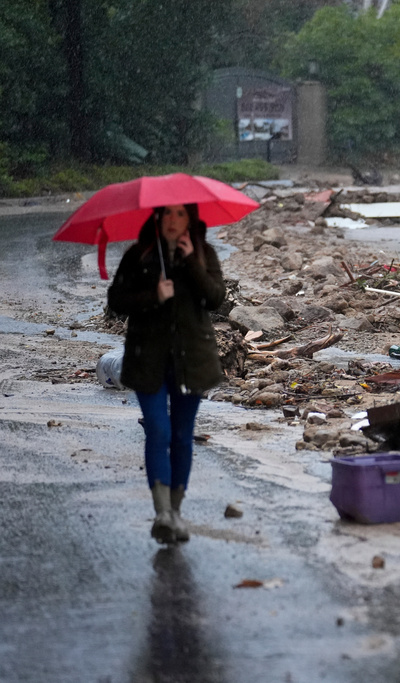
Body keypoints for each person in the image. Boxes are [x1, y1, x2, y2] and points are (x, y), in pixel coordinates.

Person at [108, 204, 226, 544]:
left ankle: (175, 514)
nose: (172, 221)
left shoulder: (204, 253)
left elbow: (216, 298)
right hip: (148, 359)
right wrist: (153, 296)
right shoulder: (139, 255)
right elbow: (116, 300)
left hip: (193, 361)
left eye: (180, 214)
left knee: (181, 435)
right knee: (158, 430)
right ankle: (161, 513)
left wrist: (192, 265)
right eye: (166, 214)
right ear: (157, 218)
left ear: (191, 219)